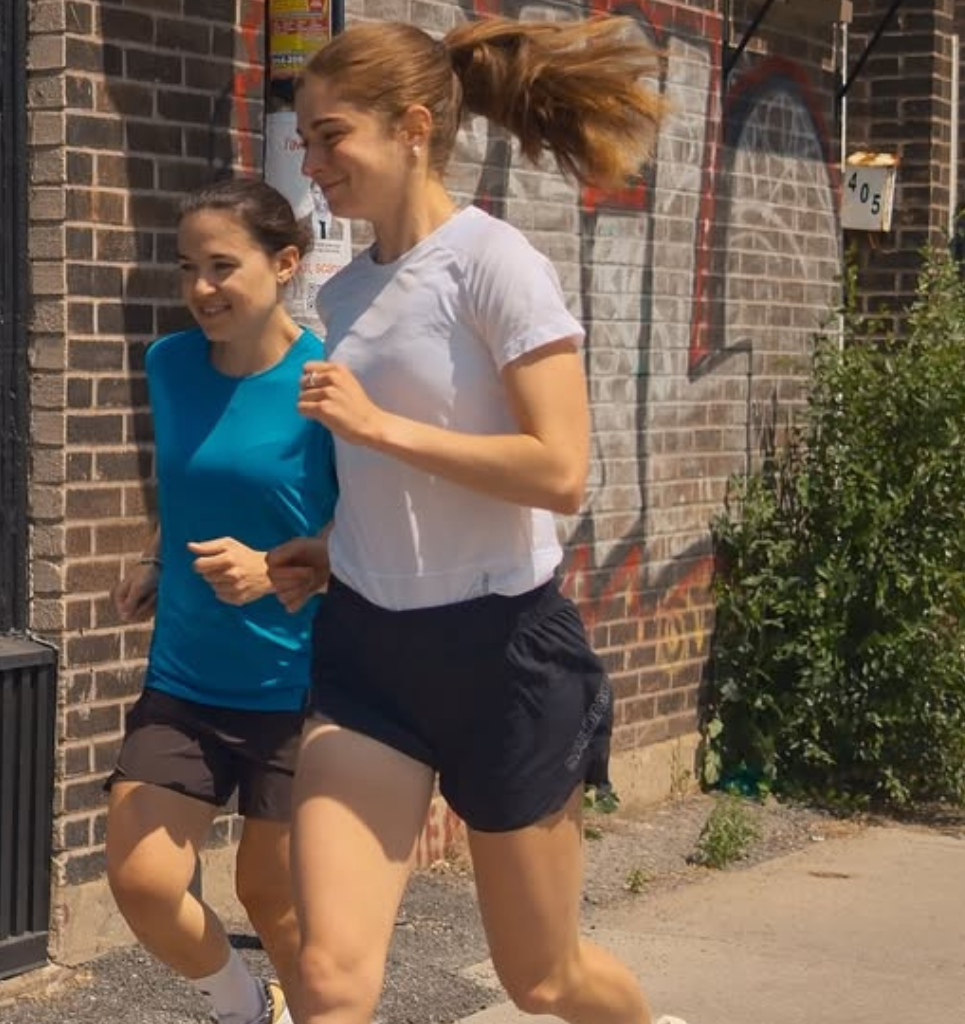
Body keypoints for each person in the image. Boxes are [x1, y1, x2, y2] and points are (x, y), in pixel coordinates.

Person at [259, 16, 686, 1024]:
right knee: (326, 976)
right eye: (306, 139)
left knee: (541, 979)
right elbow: (393, 478)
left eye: (330, 136)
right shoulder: (349, 285)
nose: (310, 163)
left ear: (411, 126)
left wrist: (379, 426)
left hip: (501, 655)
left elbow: (558, 469)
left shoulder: (495, 264)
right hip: (368, 654)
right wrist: (333, 547)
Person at [105, 178, 338, 1024]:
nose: (202, 288)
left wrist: (275, 568)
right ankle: (245, 1013)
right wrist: (155, 556)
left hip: (298, 690)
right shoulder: (168, 365)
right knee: (142, 880)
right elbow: (192, 484)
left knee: (273, 900)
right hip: (188, 676)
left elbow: (378, 539)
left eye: (222, 265)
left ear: (284, 264)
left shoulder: (326, 384)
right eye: (187, 267)